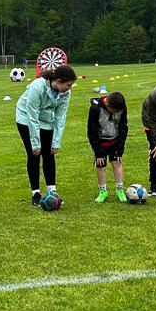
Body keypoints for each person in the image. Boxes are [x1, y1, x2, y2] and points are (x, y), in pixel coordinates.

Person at [15, 64, 76, 206]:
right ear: (58, 81)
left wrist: (56, 142)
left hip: (46, 119)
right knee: (34, 154)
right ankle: (35, 193)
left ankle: (52, 191)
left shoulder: (65, 93)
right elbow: (32, 116)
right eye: (68, 85)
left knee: (49, 153)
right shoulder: (37, 87)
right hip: (26, 117)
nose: (70, 88)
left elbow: (60, 117)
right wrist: (35, 144)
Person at [87, 90, 129, 202]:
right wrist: (98, 152)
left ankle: (119, 190)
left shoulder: (121, 108)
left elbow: (123, 127)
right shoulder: (95, 109)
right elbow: (92, 131)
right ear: (107, 104)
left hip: (115, 140)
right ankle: (103, 191)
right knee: (101, 165)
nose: (117, 113)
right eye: (114, 111)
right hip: (100, 142)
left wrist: (120, 148)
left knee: (117, 163)